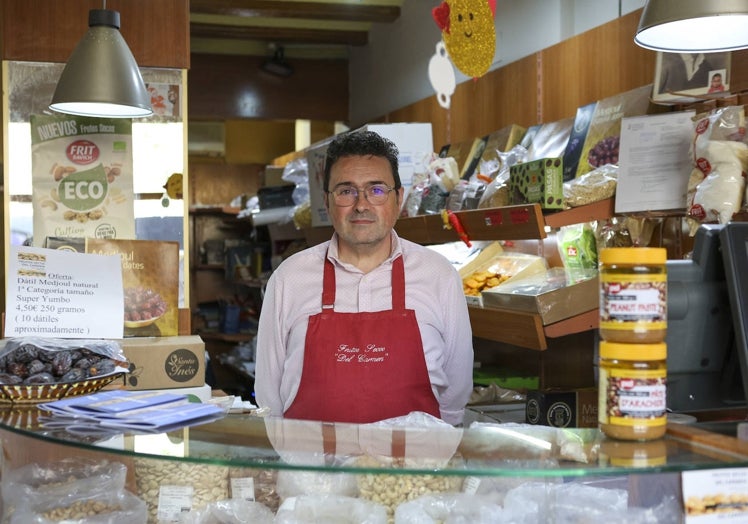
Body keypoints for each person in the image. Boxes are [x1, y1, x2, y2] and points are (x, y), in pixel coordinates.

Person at [254, 130, 474, 426]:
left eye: (377, 190)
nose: (361, 204)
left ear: (399, 198)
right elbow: (270, 399)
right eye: (346, 191)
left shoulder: (439, 276)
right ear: (327, 202)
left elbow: (454, 400)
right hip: (314, 470)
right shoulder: (288, 280)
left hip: (411, 469)